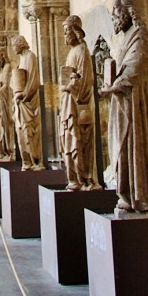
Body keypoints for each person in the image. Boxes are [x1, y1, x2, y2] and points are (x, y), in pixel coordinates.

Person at [99, 0, 148, 214]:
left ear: (127, 13)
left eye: (116, 13)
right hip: (121, 103)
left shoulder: (140, 35)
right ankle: (125, 193)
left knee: (131, 146)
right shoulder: (125, 38)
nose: (114, 18)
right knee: (119, 150)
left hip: (133, 103)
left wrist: (116, 85)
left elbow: (140, 64)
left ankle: (140, 195)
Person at [58, 15, 99, 190]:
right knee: (69, 141)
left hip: (78, 104)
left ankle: (86, 178)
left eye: (68, 31)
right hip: (68, 104)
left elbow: (85, 79)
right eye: (64, 31)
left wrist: (71, 86)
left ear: (76, 31)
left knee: (80, 141)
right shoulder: (72, 52)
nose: (65, 35)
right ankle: (74, 178)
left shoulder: (82, 50)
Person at [11, 34, 44, 169]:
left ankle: (36, 160)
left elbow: (33, 80)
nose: (13, 49)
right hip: (21, 103)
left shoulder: (30, 57)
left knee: (30, 132)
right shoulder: (21, 59)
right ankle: (27, 161)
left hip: (29, 102)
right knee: (21, 133)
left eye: (14, 46)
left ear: (20, 44)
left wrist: (24, 95)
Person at [0, 50, 15, 160]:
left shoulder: (7, 68)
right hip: (0, 101)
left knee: (3, 123)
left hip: (5, 101)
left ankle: (8, 150)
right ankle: (2, 150)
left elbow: (6, 86)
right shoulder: (1, 70)